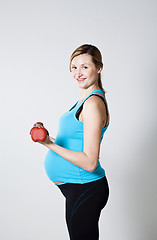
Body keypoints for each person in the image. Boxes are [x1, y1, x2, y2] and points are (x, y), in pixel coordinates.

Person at [37, 44, 110, 240]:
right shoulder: (84, 100)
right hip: (77, 188)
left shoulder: (93, 103)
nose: (78, 73)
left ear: (99, 68)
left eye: (85, 67)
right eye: (74, 67)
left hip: (85, 187)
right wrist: (47, 138)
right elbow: (75, 142)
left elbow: (89, 162)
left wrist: (49, 145)